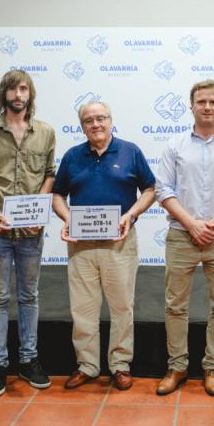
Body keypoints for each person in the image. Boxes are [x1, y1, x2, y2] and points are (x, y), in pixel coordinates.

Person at [154, 79, 214, 396]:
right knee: (175, 306)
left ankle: (212, 367)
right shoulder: (174, 145)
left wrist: (210, 225)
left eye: (212, 101)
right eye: (201, 102)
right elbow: (163, 190)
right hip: (181, 235)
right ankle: (177, 366)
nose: (206, 107)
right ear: (192, 105)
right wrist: (192, 224)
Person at [52, 101, 155, 391]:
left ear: (111, 120)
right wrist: (67, 217)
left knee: (122, 307)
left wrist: (131, 214)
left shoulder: (130, 151)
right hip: (81, 245)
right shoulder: (72, 156)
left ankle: (120, 364)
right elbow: (57, 195)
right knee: (83, 309)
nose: (95, 124)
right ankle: (87, 365)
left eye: (101, 118)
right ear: (82, 126)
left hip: (119, 244)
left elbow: (150, 189)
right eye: (88, 120)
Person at [0, 70, 55, 397]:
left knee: (29, 296)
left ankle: (29, 359)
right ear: (3, 94)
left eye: (23, 89)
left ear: (30, 94)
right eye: (12, 89)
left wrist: (41, 209)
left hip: (32, 231)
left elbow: (49, 174)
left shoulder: (45, 132)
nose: (18, 95)